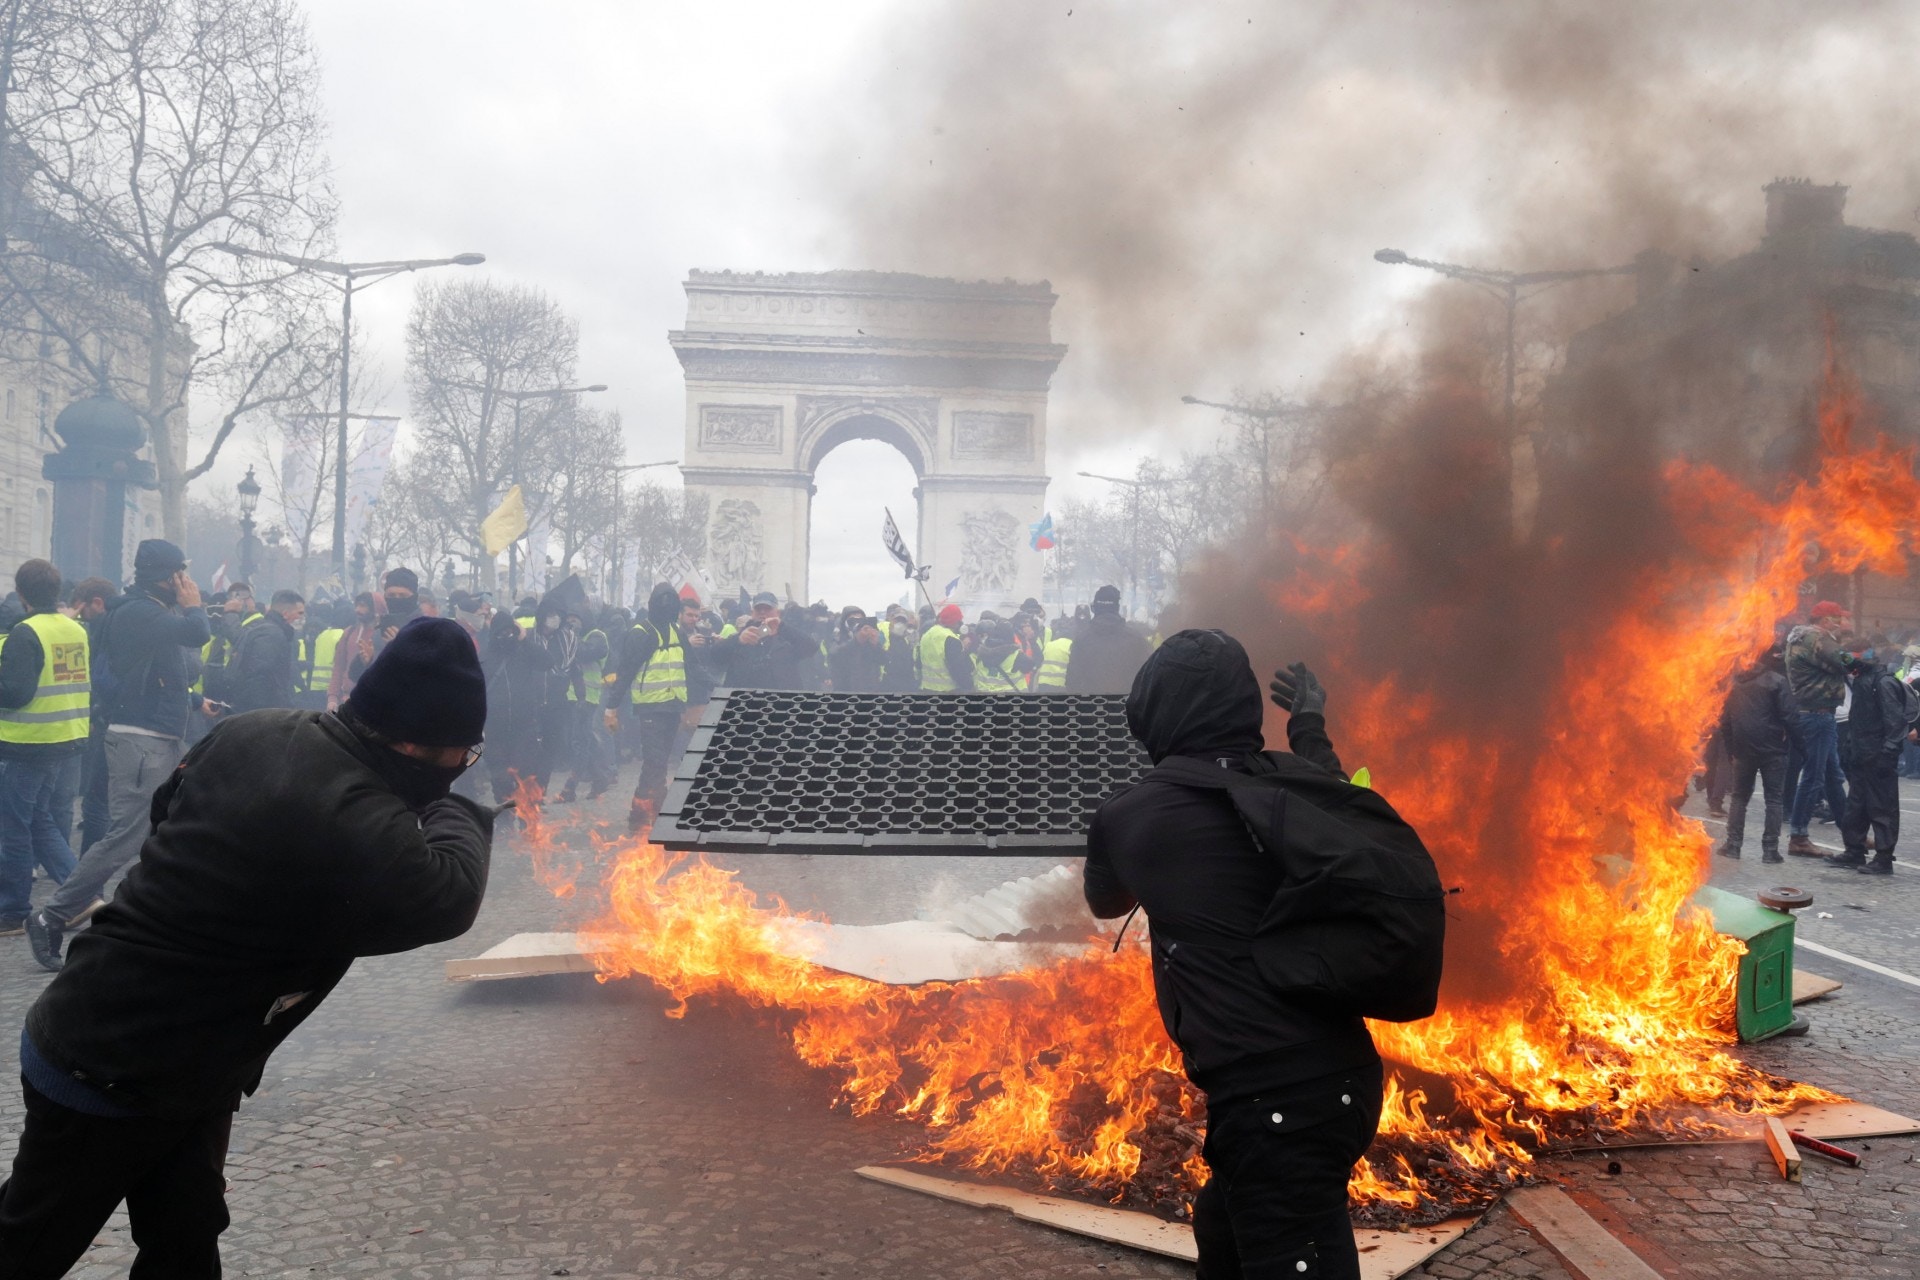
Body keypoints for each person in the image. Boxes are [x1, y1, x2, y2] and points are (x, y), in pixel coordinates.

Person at [0, 617, 492, 1276]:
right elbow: (449, 895)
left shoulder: (253, 729)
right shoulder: (355, 815)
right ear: (416, 749)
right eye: (465, 756)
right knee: (26, 1248)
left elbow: (166, 810)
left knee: (185, 1233)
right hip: (113, 1063)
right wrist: (462, 808)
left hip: (185, 1063)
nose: (462, 770)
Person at [1082, 632, 1382, 1278]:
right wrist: (1307, 725)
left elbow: (1105, 899)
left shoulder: (1134, 816)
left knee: (1279, 1232)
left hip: (1277, 1106)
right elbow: (1343, 792)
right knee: (1224, 1233)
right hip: (1343, 1080)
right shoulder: (1299, 787)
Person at [26, 541, 213, 971]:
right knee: (125, 836)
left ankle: (159, 918)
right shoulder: (140, 612)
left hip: (157, 734)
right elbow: (197, 633)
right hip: (138, 739)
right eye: (178, 574)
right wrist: (194, 605)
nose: (184, 582)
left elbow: (179, 669)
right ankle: (50, 915)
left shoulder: (147, 610)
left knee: (173, 825)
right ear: (161, 576)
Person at [0, 560, 90, 936]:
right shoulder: (75, 628)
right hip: (64, 735)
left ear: (21, 594)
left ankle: (13, 911)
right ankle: (82, 897)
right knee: (40, 820)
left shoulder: (25, 632)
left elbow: (16, 693)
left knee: (14, 827)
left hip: (27, 742)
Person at [1827, 644, 1918, 874]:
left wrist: (1887, 752)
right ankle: (1854, 851)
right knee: (1856, 806)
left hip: (1878, 758)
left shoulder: (1883, 682)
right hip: (1861, 756)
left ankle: (1884, 858)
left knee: (1882, 808)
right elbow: (1858, 720)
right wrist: (1850, 748)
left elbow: (1895, 722)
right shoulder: (1863, 680)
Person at [608, 584, 689, 831]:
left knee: (658, 762)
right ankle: (661, 814)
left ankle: (638, 812)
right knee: (655, 762)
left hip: (673, 707)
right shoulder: (640, 632)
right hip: (650, 709)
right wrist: (611, 707)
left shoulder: (676, 631)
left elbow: (692, 668)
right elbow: (625, 671)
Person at [1715, 643, 1797, 864]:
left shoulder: (1734, 683)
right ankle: (1770, 851)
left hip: (1743, 750)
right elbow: (1790, 717)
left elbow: (1725, 721)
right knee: (1774, 799)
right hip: (1773, 750)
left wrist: (1732, 749)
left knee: (1739, 798)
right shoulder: (1777, 681)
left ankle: (1733, 845)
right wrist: (1795, 745)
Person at [1784, 602, 1853, 857]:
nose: (1841, 624)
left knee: (1833, 777)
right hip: (1818, 715)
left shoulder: (1801, 638)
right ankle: (1799, 837)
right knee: (1814, 777)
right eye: (1837, 619)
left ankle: (1851, 833)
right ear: (1825, 620)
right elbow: (1846, 662)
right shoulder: (1818, 638)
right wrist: (1857, 661)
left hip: (1816, 715)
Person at [68, 578, 119, 853]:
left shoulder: (104, 630)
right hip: (120, 720)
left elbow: (101, 680)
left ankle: (88, 879)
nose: (82, 618)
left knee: (96, 802)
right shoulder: (124, 623)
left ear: (97, 603)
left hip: (107, 722)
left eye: (82, 610)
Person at [227, 589, 306, 713]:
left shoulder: (269, 630)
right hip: (265, 712)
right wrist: (271, 711)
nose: (302, 618)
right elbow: (259, 675)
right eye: (300, 613)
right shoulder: (272, 634)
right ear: (285, 613)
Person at [1066, 585, 1152, 694]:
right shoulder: (1137, 639)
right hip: (1125, 708)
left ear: (1095, 608)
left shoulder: (1082, 640)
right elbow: (1146, 680)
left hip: (1089, 707)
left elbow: (1072, 682)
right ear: (1117, 608)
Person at [327, 592, 379, 710]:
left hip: (373, 702)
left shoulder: (382, 635)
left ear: (374, 608)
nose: (358, 610)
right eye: (357, 605)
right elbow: (339, 666)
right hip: (347, 700)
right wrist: (332, 698)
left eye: (363, 606)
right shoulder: (349, 632)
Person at [916, 604, 973, 691]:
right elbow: (958, 671)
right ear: (955, 621)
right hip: (947, 692)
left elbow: (919, 663)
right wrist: (969, 687)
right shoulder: (951, 639)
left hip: (927, 690)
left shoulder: (926, 635)